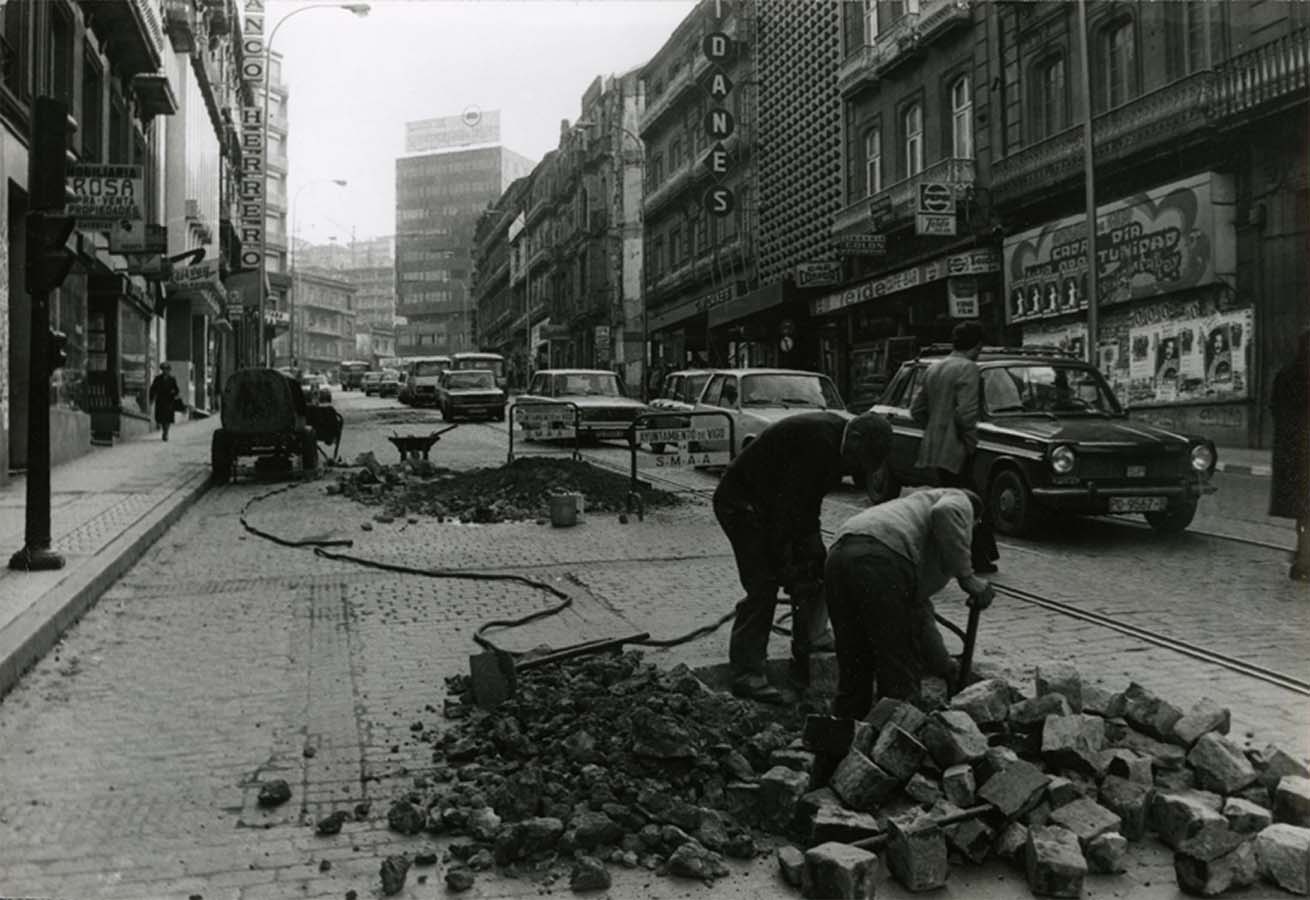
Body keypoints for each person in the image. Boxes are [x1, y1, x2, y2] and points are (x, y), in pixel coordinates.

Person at [713, 411, 894, 703]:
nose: (854, 469)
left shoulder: (839, 441)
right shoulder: (819, 443)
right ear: (856, 439)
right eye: (857, 461)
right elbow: (786, 511)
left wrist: (811, 559)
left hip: (774, 506)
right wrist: (787, 565)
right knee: (763, 585)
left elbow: (806, 506)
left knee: (817, 569)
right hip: (741, 505)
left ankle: (813, 636)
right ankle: (747, 673)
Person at [824, 488, 995, 718]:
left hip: (838, 556)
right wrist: (966, 577)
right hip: (879, 559)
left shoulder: (911, 514)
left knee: (853, 661)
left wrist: (943, 664)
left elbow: (920, 615)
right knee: (898, 667)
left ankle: (841, 738)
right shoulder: (959, 499)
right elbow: (947, 511)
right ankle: (897, 740)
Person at [911, 321, 1000, 573]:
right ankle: (976, 558)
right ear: (977, 345)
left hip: (935, 449)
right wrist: (969, 442)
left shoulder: (935, 368)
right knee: (969, 503)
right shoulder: (968, 368)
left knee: (948, 502)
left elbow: (916, 410)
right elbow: (966, 414)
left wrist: (935, 429)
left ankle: (957, 556)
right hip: (958, 448)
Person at [1270, 330, 1310, 582]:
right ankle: (1304, 559)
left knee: (1302, 510)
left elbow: (1274, 408)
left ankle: (1302, 557)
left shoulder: (1285, 374)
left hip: (1293, 452)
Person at [148, 362, 182, 441]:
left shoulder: (172, 379)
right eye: (164, 369)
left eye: (167, 369)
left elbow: (176, 389)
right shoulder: (158, 378)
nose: (165, 371)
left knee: (168, 418)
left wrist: (174, 393)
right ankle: (164, 430)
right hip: (160, 400)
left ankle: (166, 433)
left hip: (169, 400)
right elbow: (153, 389)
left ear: (169, 370)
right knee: (162, 418)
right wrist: (152, 398)